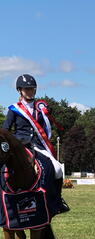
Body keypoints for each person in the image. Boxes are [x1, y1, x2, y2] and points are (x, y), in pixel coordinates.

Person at [2, 74, 69, 213]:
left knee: (57, 169)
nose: (30, 91)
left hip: (38, 145)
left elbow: (46, 128)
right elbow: (5, 130)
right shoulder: (14, 109)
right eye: (26, 89)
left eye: (32, 89)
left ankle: (57, 200)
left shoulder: (41, 108)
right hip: (19, 145)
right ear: (20, 90)